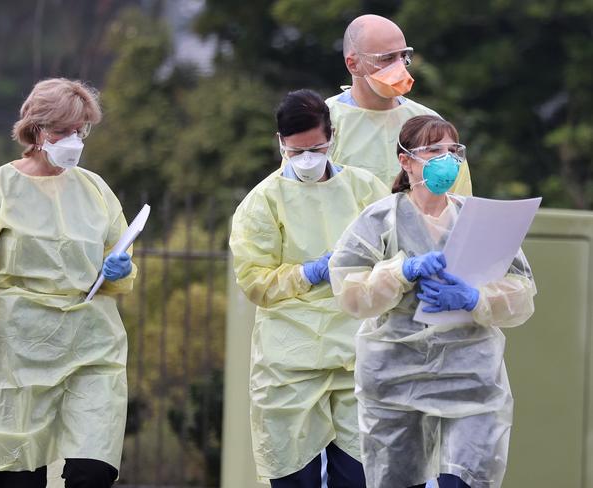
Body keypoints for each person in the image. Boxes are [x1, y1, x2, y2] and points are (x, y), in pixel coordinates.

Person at [0, 78, 136, 488]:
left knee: (93, 469)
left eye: (80, 131)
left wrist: (119, 268)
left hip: (90, 347)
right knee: (20, 476)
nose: (73, 140)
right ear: (36, 129)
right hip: (17, 351)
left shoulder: (96, 190)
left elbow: (119, 253)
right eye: (63, 130)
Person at [329, 115, 536, 488]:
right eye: (434, 150)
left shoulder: (479, 220)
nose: (447, 160)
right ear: (405, 159)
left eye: (453, 150)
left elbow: (521, 289)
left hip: (469, 375)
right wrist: (401, 272)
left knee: (466, 479)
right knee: (398, 479)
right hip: (395, 379)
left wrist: (475, 298)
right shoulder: (380, 220)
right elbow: (349, 291)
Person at [229, 89, 390, 487]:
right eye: (295, 151)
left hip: (356, 353)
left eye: (315, 148)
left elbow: (393, 253)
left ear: (331, 137)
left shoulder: (366, 191)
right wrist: (311, 272)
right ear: (280, 143)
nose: (306, 159)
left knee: (358, 477)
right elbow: (254, 280)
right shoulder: (262, 203)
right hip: (290, 361)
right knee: (293, 477)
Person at [326, 14, 473, 195]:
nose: (400, 66)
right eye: (387, 58)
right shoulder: (324, 120)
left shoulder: (428, 123)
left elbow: (459, 200)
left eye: (403, 56)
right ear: (353, 64)